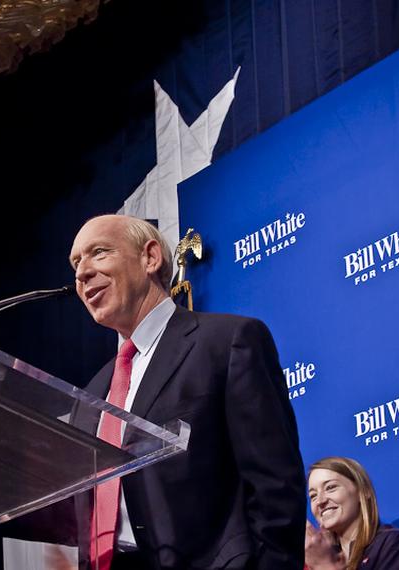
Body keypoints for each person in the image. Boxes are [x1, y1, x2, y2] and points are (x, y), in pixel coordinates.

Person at [69, 214, 305, 570]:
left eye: (98, 253)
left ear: (150, 257)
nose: (82, 272)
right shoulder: (90, 396)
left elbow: (276, 488)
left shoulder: (228, 343)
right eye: (75, 263)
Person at [304, 457, 399, 570]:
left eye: (330, 487)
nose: (320, 501)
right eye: (313, 496)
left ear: (363, 491)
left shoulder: (391, 544)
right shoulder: (313, 558)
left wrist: (324, 566)